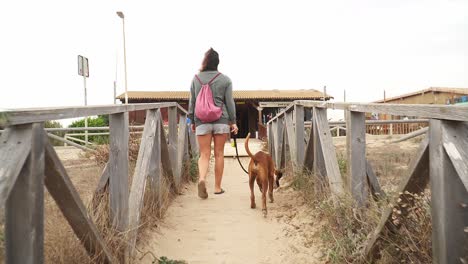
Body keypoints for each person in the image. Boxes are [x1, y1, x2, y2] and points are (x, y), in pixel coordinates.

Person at [188, 48, 238, 199]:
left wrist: (192, 119)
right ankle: (217, 187)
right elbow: (230, 103)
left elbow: (192, 101)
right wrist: (233, 122)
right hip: (221, 120)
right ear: (217, 62)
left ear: (205, 61)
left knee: (204, 154)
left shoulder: (196, 79)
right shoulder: (225, 80)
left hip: (202, 121)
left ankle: (202, 179)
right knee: (219, 154)